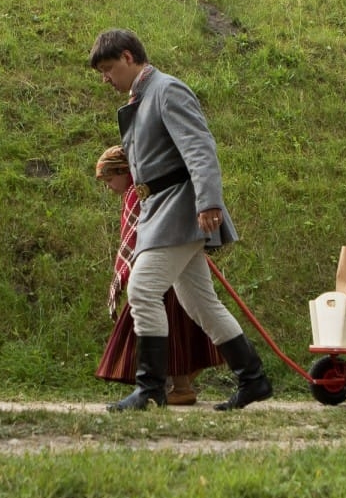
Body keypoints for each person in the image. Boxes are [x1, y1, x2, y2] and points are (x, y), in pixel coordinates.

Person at [89, 29, 272, 411]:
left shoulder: (167, 90)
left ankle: (151, 388)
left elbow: (200, 147)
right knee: (200, 304)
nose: (105, 78)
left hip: (180, 209)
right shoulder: (145, 96)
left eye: (108, 68)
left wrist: (208, 203)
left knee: (141, 289)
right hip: (164, 209)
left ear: (127, 57)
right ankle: (253, 379)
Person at [94, 145, 222, 405]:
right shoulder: (137, 192)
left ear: (124, 171)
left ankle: (178, 386)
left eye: (110, 179)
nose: (109, 186)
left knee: (173, 328)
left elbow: (143, 233)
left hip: (161, 270)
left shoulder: (138, 194)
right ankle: (165, 385)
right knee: (176, 328)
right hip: (164, 266)